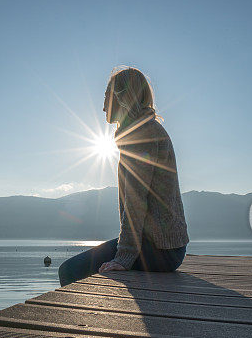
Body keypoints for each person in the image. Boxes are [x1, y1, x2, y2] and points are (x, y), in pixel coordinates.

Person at [58, 67, 189, 286]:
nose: (102, 107)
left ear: (122, 97)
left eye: (106, 97)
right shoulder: (144, 130)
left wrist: (124, 257)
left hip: (160, 250)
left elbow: (136, 201)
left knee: (69, 271)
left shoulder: (142, 134)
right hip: (167, 247)